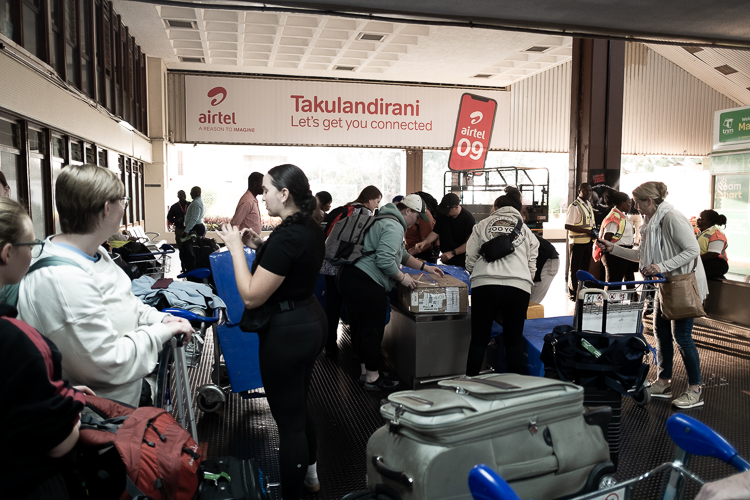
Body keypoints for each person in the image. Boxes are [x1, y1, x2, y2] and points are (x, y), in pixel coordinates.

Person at [16, 164, 194, 408]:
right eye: (123, 200)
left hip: (125, 403)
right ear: (106, 209)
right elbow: (106, 363)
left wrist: (160, 319)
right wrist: (162, 333)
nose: (125, 207)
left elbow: (128, 304)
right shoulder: (62, 279)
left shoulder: (96, 252)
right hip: (98, 420)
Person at [216, 164, 327, 500]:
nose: (261, 197)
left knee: (289, 423)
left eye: (265, 190)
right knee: (299, 406)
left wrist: (236, 247)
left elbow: (251, 296)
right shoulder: (307, 226)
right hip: (310, 320)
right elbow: (288, 264)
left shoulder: (289, 235)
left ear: (284, 193)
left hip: (287, 334)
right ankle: (311, 476)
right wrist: (259, 243)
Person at [0, 197, 94, 500]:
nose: (34, 253)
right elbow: (60, 442)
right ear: (7, 253)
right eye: (31, 245)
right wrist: (70, 406)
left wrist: (42, 392)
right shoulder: (19, 342)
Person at [597, 181, 707, 409]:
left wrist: (662, 266)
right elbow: (641, 255)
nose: (636, 208)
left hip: (681, 284)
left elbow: (693, 250)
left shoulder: (673, 218)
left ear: (650, 201)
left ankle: (695, 389)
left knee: (682, 337)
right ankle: (664, 382)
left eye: (638, 203)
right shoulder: (650, 222)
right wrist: (612, 248)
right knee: (661, 333)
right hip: (664, 284)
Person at [338, 194, 444, 390]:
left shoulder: (385, 219)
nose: (417, 222)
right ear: (408, 211)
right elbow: (385, 261)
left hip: (351, 277)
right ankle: (373, 378)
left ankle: (366, 371)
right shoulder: (393, 226)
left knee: (362, 328)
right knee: (373, 330)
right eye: (417, 217)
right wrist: (403, 278)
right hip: (365, 281)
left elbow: (401, 254)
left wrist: (424, 267)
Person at [465, 193, 539, 376]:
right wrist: (520, 278)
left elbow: (470, 260)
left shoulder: (481, 225)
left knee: (479, 339)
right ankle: (515, 388)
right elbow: (532, 265)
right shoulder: (527, 232)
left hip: (485, 286)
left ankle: (469, 384)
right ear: (518, 209)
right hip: (518, 288)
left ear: (496, 207)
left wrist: (482, 274)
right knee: (513, 341)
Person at [319, 185, 382, 357]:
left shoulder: (343, 208)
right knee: (354, 308)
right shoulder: (365, 214)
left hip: (327, 264)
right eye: (377, 201)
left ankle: (330, 347)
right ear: (369, 199)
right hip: (346, 267)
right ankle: (357, 348)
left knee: (332, 306)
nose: (376, 206)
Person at [411, 192, 475, 268]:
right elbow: (436, 232)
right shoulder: (443, 214)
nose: (445, 213)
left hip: (460, 257)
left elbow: (469, 244)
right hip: (445, 255)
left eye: (448, 211)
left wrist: (452, 253)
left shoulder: (468, 219)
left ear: (456, 207)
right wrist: (425, 242)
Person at [595, 191, 638, 287]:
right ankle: (611, 302)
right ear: (623, 203)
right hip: (615, 254)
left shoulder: (622, 216)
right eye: (629, 203)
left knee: (630, 282)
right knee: (614, 284)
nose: (630, 205)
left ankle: (632, 299)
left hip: (625, 253)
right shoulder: (614, 217)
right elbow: (607, 238)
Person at [565, 182, 595, 300]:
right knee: (575, 268)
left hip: (588, 242)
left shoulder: (588, 205)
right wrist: (586, 231)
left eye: (590, 190)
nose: (589, 193)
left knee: (585, 268)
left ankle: (582, 290)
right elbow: (568, 225)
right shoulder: (575, 206)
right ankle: (572, 293)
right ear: (579, 192)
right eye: (586, 190)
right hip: (577, 243)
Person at [406, 190, 439, 264]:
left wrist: (406, 255)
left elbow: (426, 244)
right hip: (410, 249)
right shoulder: (403, 214)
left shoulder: (424, 214)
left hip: (424, 252)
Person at [696, 209, 729, 279]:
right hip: (702, 260)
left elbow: (713, 254)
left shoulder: (716, 234)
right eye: (698, 218)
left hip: (716, 263)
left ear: (709, 221)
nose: (698, 220)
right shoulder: (698, 232)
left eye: (701, 219)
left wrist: (694, 260)